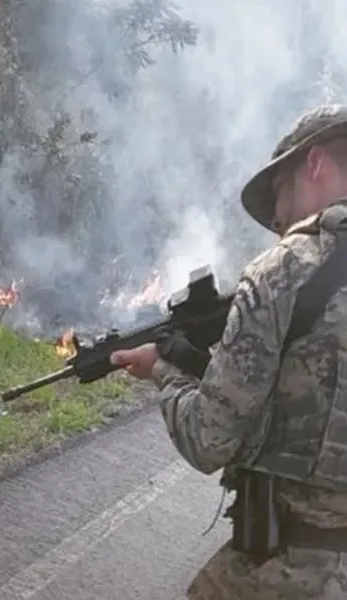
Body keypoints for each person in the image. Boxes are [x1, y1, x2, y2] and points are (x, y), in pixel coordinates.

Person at [110, 103, 347, 598]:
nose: (279, 217)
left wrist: (164, 372)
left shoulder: (283, 270)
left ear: (316, 164)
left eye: (279, 192)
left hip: (295, 568)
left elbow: (208, 439)